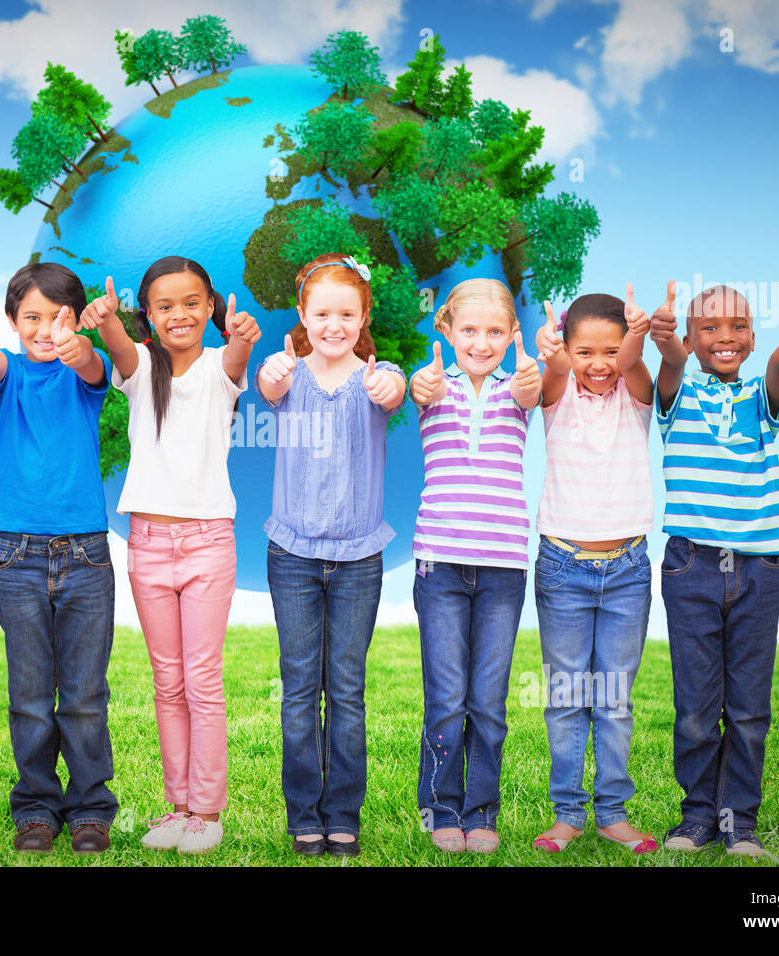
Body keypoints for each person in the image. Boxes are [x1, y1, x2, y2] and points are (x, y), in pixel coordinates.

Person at [651, 275, 779, 857]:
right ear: (689, 338)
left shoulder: (764, 397)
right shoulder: (676, 395)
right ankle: (697, 818)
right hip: (691, 566)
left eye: (738, 326)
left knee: (749, 708)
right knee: (695, 707)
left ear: (753, 338)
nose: (725, 336)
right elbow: (665, 366)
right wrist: (664, 342)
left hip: (759, 570)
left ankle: (740, 821)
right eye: (709, 327)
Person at [82, 258, 259, 855]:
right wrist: (105, 320)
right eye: (164, 306)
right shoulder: (141, 368)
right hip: (149, 546)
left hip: (209, 541)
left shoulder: (219, 367)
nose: (179, 315)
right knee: (168, 681)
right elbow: (119, 349)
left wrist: (240, 338)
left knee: (202, 680)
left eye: (191, 303)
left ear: (209, 307)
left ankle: (208, 811)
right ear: (148, 315)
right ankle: (178, 806)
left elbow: (237, 358)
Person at [0, 262, 118, 855]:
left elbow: (90, 363)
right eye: (31, 317)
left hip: (86, 554)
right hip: (16, 555)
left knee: (83, 695)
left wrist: (79, 342)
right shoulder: (9, 375)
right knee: (29, 694)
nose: (46, 329)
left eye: (58, 317)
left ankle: (90, 808)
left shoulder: (84, 373)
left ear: (76, 319)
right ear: (11, 322)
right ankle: (35, 807)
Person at [256, 253, 406, 857]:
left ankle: (342, 813)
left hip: (357, 558)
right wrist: (272, 369)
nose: (334, 325)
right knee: (299, 689)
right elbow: (267, 386)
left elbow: (393, 394)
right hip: (291, 552)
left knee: (346, 688)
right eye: (323, 314)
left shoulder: (378, 375)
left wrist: (388, 383)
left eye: (347, 314)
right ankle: (303, 815)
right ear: (303, 315)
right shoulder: (287, 374)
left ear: (363, 315)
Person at [408, 278, 541, 854]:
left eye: (495, 332)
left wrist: (538, 371)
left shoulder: (521, 389)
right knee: (447, 696)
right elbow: (418, 389)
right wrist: (423, 381)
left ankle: (481, 811)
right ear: (447, 331)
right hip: (439, 566)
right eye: (469, 330)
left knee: (488, 700)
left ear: (512, 336)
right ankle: (440, 808)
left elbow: (537, 392)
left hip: (504, 569)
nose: (481, 342)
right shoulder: (433, 386)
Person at [530, 286, 657, 854]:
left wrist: (637, 334)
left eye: (611, 352)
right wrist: (553, 349)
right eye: (586, 353)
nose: (600, 365)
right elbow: (556, 366)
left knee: (613, 697)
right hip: (563, 569)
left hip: (628, 569)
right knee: (566, 695)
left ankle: (612, 812)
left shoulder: (636, 396)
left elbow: (631, 362)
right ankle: (567, 813)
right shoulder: (559, 396)